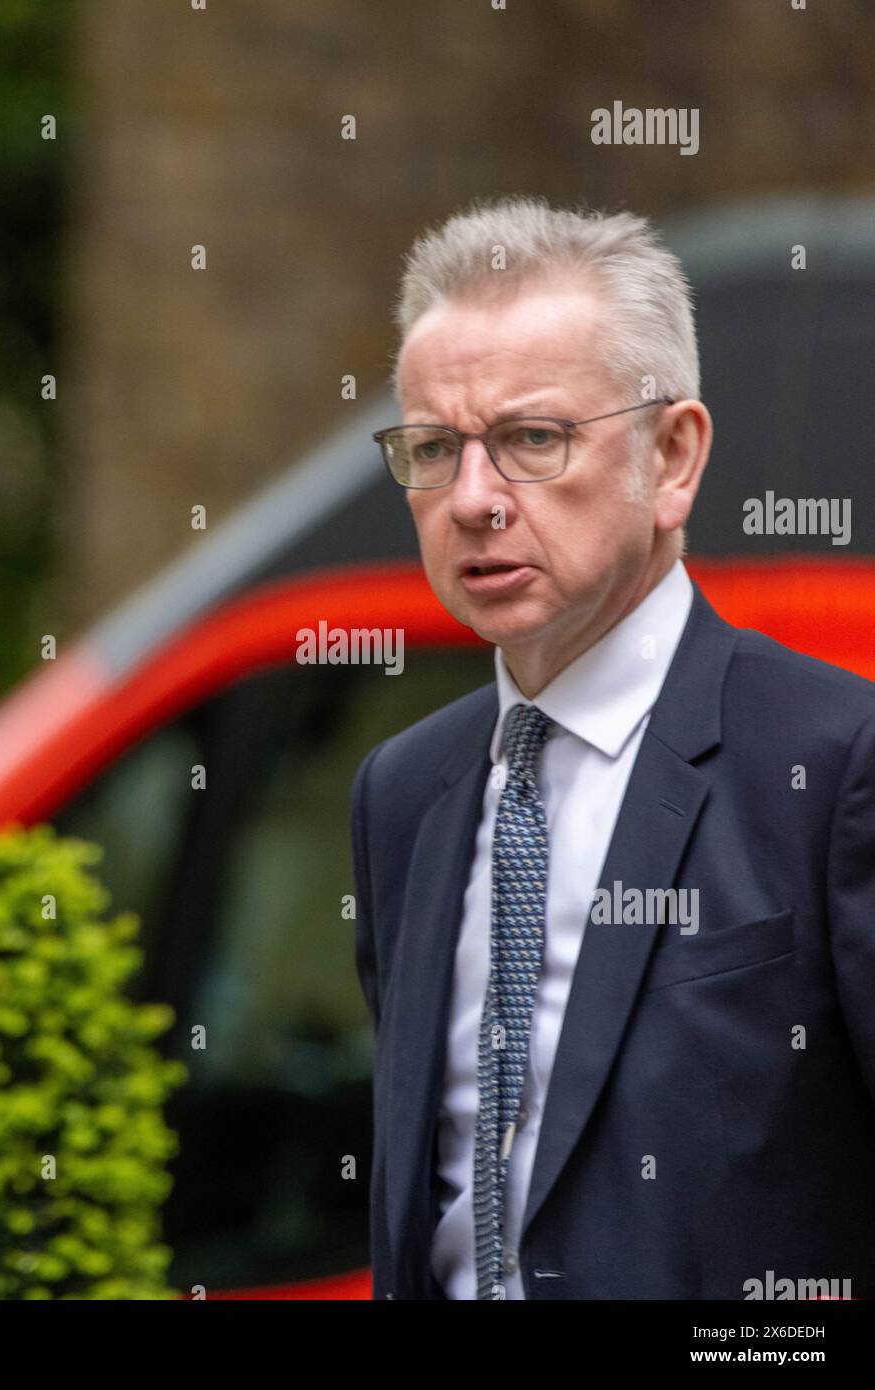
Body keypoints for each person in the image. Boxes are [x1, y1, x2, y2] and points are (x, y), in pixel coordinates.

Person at [350, 195, 875, 1300]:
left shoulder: (832, 761)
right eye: (434, 449)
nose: (474, 500)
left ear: (671, 456)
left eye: (531, 439)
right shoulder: (400, 795)